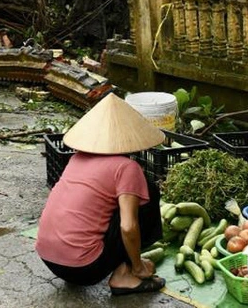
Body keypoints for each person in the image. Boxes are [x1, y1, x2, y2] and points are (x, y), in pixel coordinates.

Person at [35, 93, 167, 295]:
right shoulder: (127, 167)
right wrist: (139, 266)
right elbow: (128, 226)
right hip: (84, 268)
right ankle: (124, 275)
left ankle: (120, 265)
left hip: (48, 259)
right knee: (148, 192)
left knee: (117, 201)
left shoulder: (77, 159)